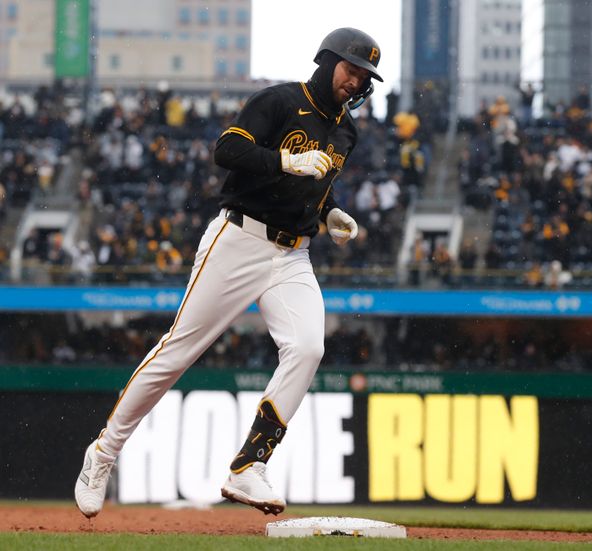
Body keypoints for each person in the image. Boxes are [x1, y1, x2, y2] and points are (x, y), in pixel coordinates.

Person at [74, 27, 383, 518]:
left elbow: (316, 185)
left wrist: (330, 214)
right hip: (239, 238)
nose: (357, 81)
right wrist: (285, 159)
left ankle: (248, 466)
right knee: (178, 352)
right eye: (351, 69)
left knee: (308, 347)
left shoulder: (347, 130)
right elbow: (227, 150)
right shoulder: (279, 101)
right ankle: (103, 453)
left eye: (366, 76)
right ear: (327, 62)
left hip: (292, 255)